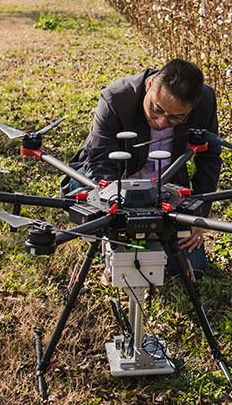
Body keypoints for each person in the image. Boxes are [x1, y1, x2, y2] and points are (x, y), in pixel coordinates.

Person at [62, 58, 221, 277]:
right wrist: (115, 214)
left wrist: (197, 214)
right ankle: (107, 238)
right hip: (113, 181)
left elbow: (209, 159)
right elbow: (99, 162)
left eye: (176, 118)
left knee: (190, 267)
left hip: (165, 187)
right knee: (123, 256)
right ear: (149, 86)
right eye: (156, 110)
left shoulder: (206, 101)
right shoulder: (116, 98)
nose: (162, 122)